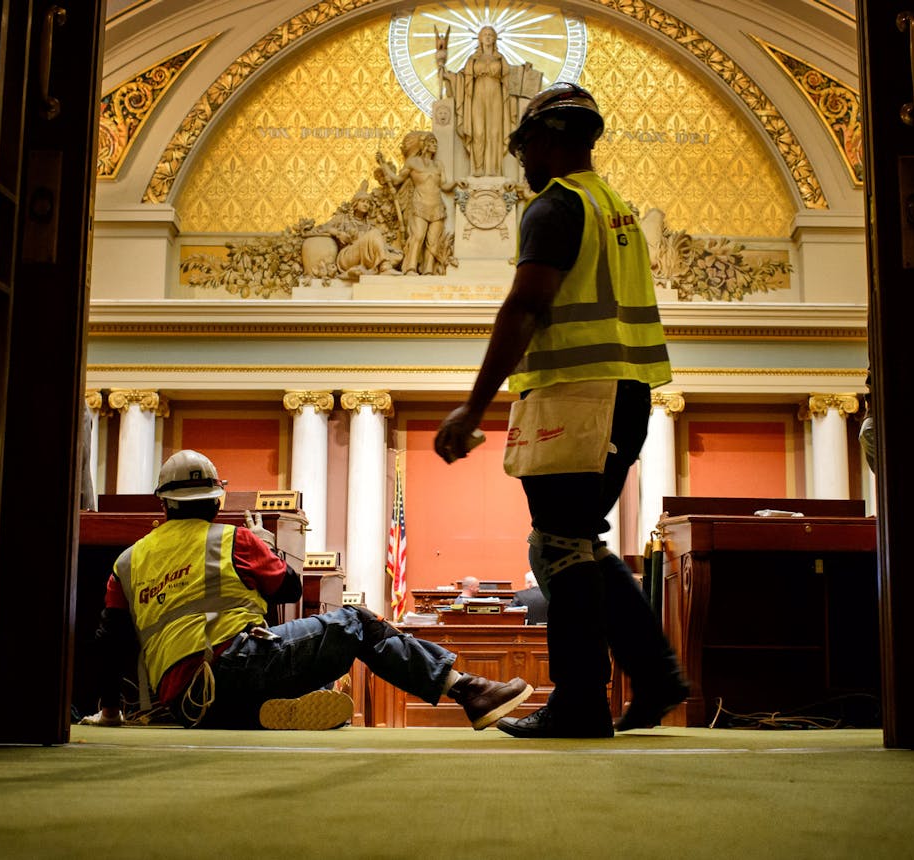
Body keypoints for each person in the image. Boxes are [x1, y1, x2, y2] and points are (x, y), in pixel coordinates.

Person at [432, 83, 689, 738]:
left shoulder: (555, 207)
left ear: (548, 140)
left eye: (522, 148)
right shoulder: (618, 210)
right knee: (576, 542)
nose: (520, 163)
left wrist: (473, 408)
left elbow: (526, 306)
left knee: (559, 545)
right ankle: (654, 676)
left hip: (577, 396)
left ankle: (581, 700)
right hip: (624, 395)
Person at [81, 449, 533, 730]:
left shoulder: (128, 560)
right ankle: (467, 690)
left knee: (282, 661)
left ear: (164, 501)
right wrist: (262, 543)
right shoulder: (231, 538)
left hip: (183, 703)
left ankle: (274, 710)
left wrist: (111, 712)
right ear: (217, 499)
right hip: (236, 667)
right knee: (355, 622)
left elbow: (110, 642)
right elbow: (287, 587)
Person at [443, 25, 526, 176]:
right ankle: (478, 168)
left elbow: (510, 78)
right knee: (478, 132)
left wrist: (523, 70)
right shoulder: (473, 59)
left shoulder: (500, 59)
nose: (488, 37)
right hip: (477, 96)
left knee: (495, 132)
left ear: (495, 39)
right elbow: (462, 78)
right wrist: (450, 77)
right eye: (485, 34)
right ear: (480, 39)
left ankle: (494, 169)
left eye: (490, 35)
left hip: (496, 96)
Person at [376, 131, 462, 275]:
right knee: (417, 237)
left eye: (436, 143)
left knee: (433, 241)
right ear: (424, 145)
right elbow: (397, 180)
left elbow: (444, 185)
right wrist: (383, 164)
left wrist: (457, 182)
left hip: (437, 206)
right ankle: (410, 268)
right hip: (420, 204)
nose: (435, 145)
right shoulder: (412, 163)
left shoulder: (438, 165)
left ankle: (428, 270)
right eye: (432, 142)